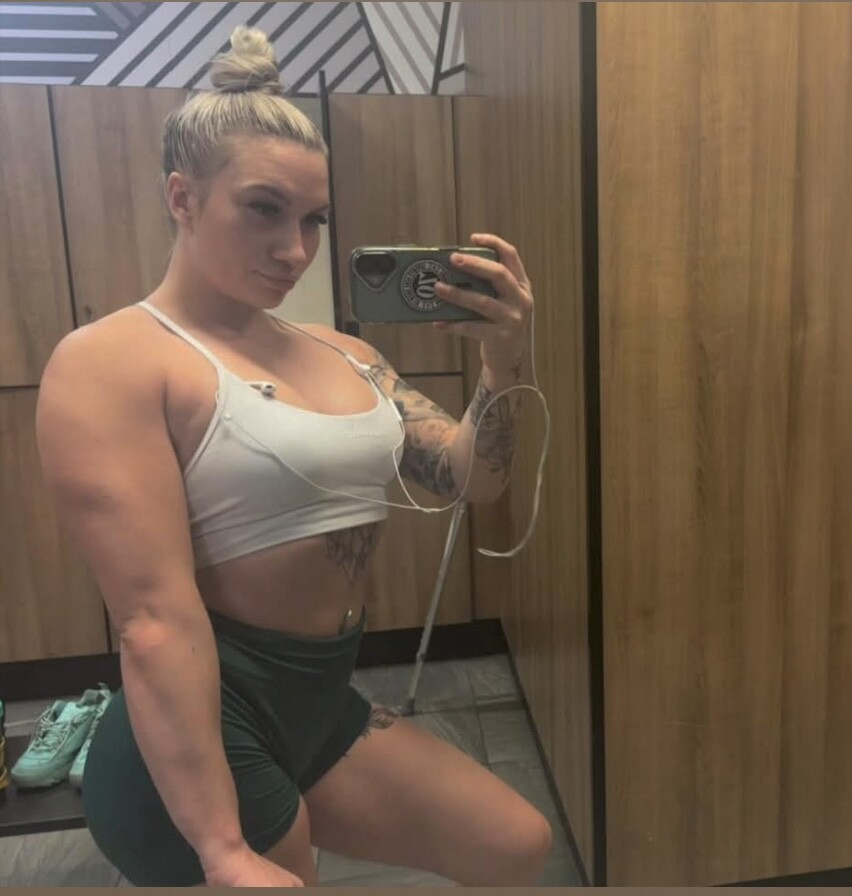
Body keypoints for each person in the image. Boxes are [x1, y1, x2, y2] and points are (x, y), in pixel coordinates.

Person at [34, 25, 550, 888]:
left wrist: (503, 361)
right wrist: (222, 847)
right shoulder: (114, 359)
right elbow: (154, 618)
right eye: (263, 209)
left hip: (317, 701)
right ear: (183, 197)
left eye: (313, 219)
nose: (295, 249)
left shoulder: (344, 352)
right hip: (207, 720)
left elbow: (474, 480)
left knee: (514, 844)